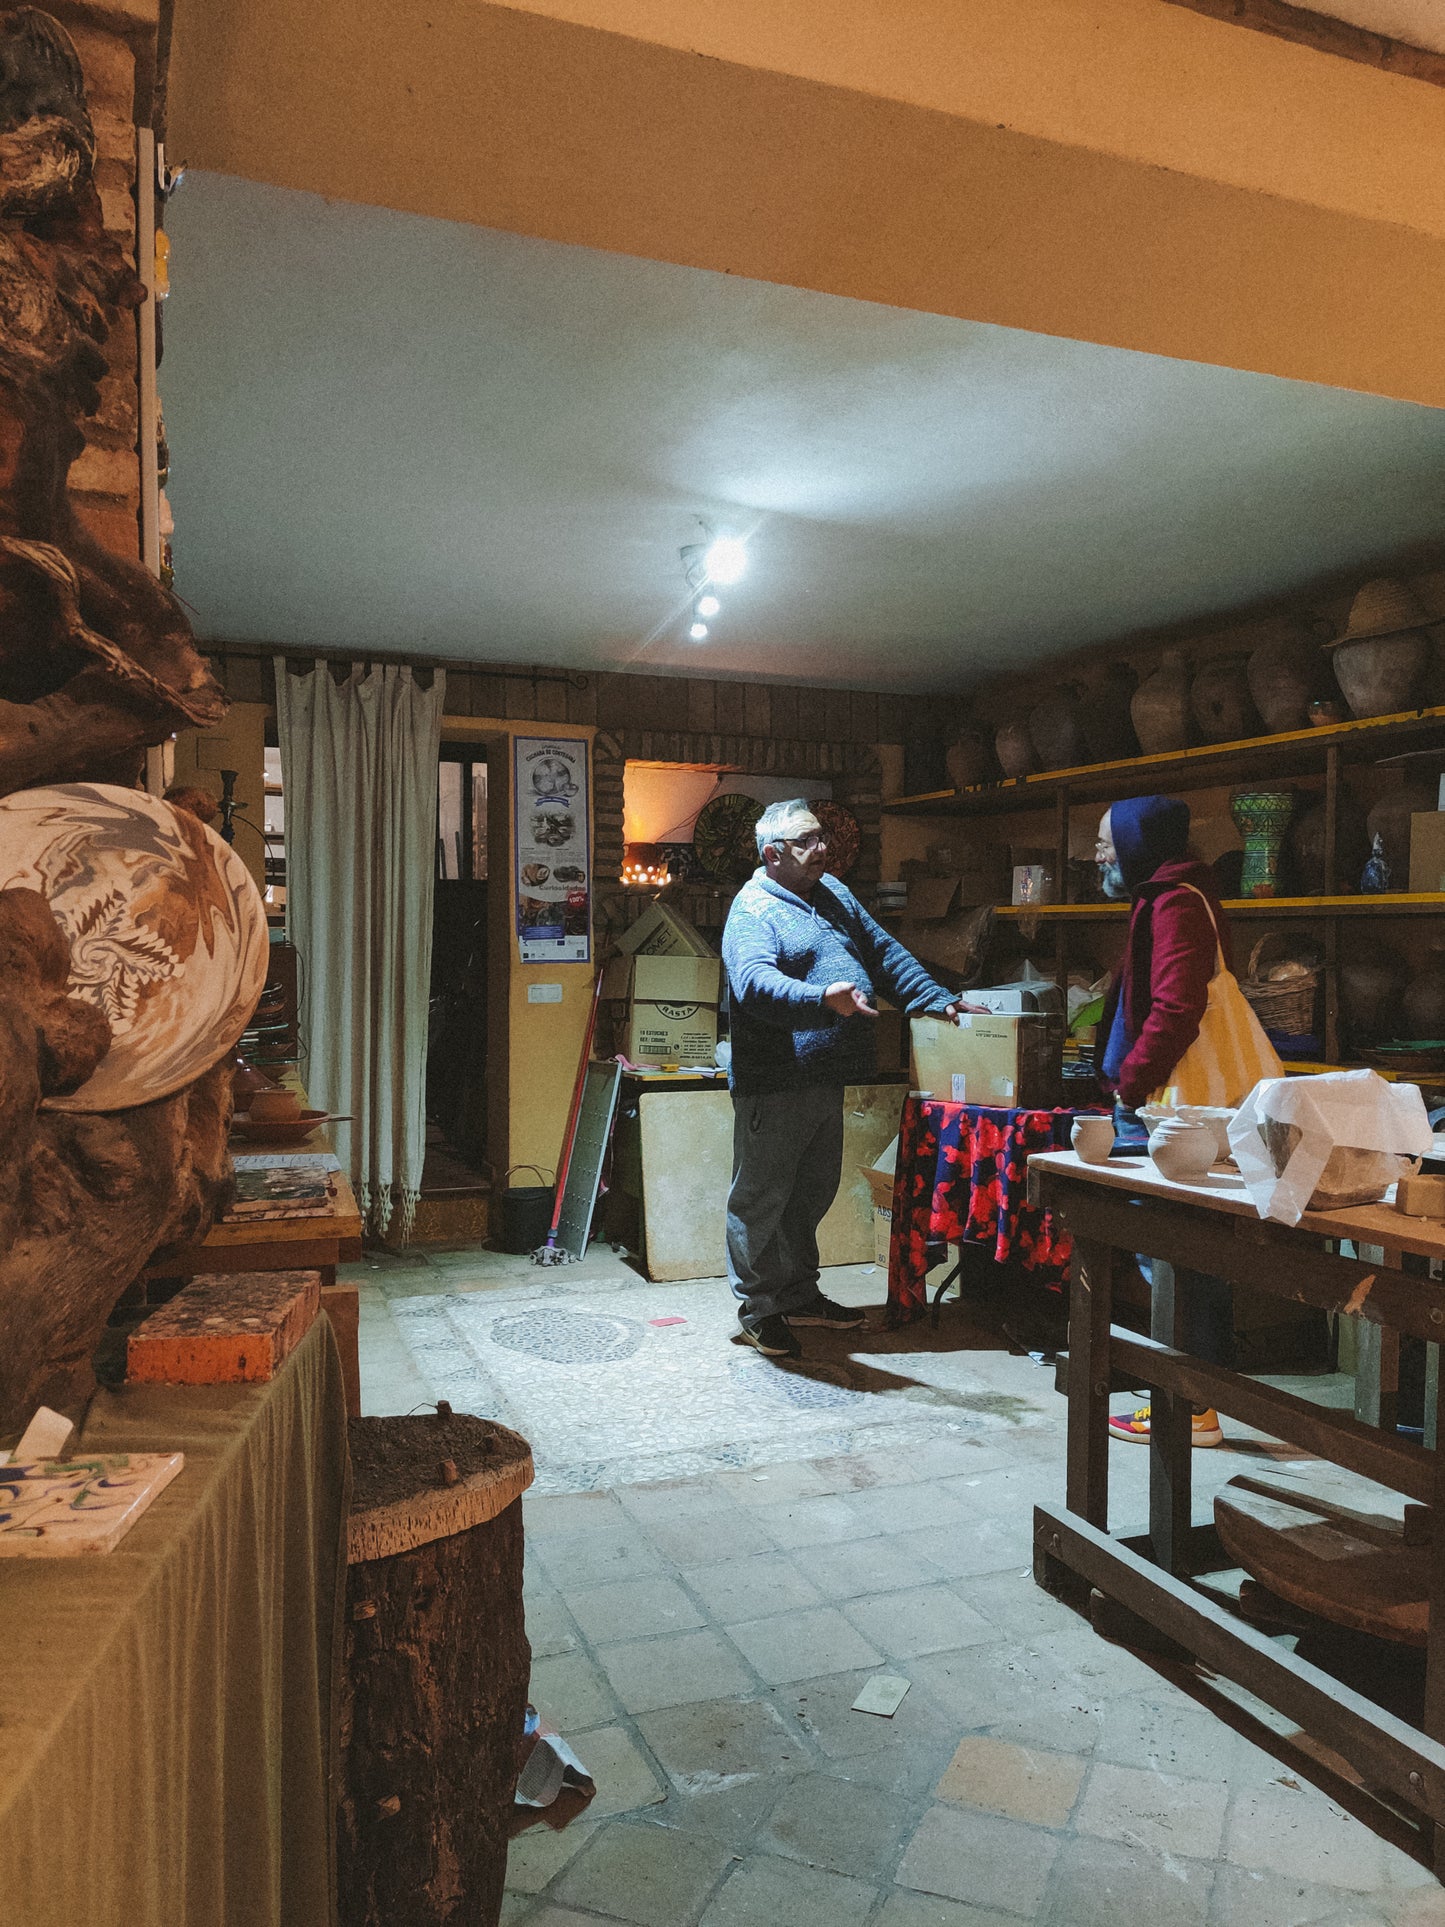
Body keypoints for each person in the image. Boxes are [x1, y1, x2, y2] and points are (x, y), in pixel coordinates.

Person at [721, 798, 982, 1359]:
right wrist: (821, 1000)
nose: (823, 849)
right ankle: (760, 1309)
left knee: (809, 1195)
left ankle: (798, 1294)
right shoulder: (752, 911)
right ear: (772, 854)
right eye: (807, 841)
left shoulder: (833, 892)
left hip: (826, 1076)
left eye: (821, 838)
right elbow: (753, 985)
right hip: (775, 1082)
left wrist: (934, 998)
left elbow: (883, 953)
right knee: (762, 1199)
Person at [1093, 794, 1230, 1448]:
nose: (1098, 854)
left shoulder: (1174, 902)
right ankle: (1191, 1399)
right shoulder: (1165, 894)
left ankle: (1188, 1405)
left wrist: (1130, 1082)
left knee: (1176, 1255)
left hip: (1161, 1108)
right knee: (1178, 1254)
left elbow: (1177, 1007)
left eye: (1106, 842)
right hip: (1152, 1103)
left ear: (1136, 844)